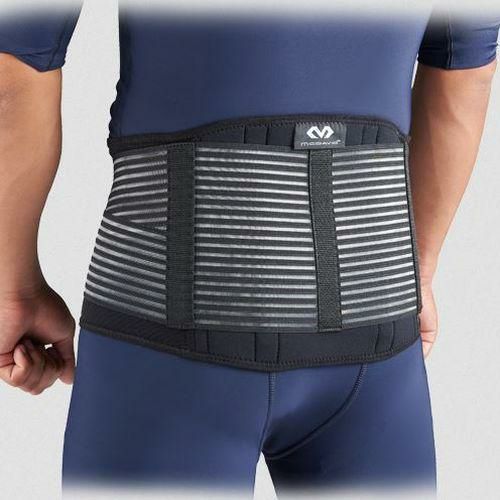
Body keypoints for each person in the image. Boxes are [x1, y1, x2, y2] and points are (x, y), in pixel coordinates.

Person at [0, 2, 498, 497]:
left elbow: (17, 65)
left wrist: (13, 285)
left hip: (170, 343)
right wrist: (418, 268)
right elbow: (465, 69)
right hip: (377, 332)